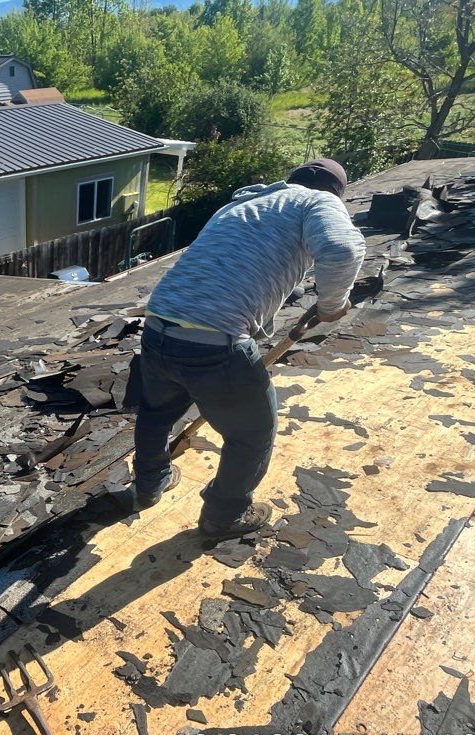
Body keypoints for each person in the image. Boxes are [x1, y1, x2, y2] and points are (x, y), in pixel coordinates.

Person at [130, 159, 365, 539]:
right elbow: (341, 250)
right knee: (252, 434)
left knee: (156, 413)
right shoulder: (318, 202)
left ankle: (149, 484)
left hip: (158, 325)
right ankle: (225, 516)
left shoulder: (243, 204)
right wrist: (332, 305)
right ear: (337, 193)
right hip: (214, 342)